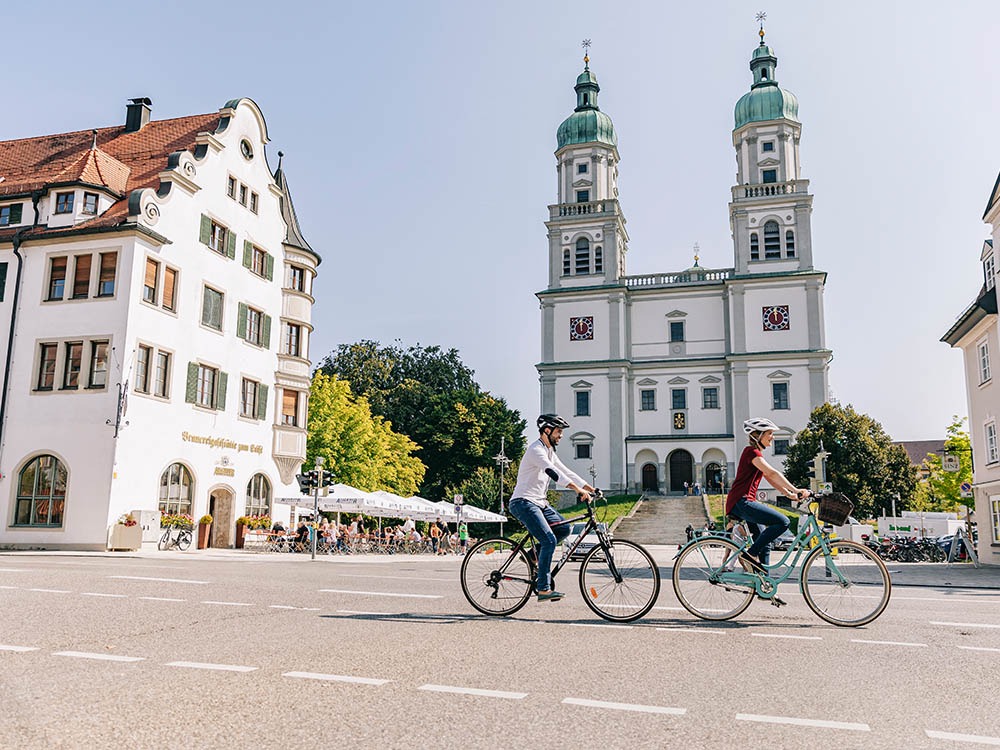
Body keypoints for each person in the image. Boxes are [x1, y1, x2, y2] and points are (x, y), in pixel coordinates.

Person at [508, 414, 598, 602]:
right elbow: (553, 472)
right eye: (558, 431)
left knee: (564, 528)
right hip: (523, 502)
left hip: (539, 503)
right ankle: (543, 588)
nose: (561, 436)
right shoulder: (536, 451)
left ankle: (532, 555)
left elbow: (566, 471)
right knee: (549, 539)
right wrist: (576, 490)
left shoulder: (549, 451)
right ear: (546, 431)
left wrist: (590, 488)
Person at [727, 417, 808, 573]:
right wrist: (796, 489)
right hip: (742, 502)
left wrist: (788, 493)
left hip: (742, 502)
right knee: (783, 522)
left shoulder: (755, 455)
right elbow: (772, 472)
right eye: (769, 433)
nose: (773, 437)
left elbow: (769, 477)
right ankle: (750, 556)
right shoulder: (751, 452)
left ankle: (764, 584)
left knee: (764, 542)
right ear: (757, 435)